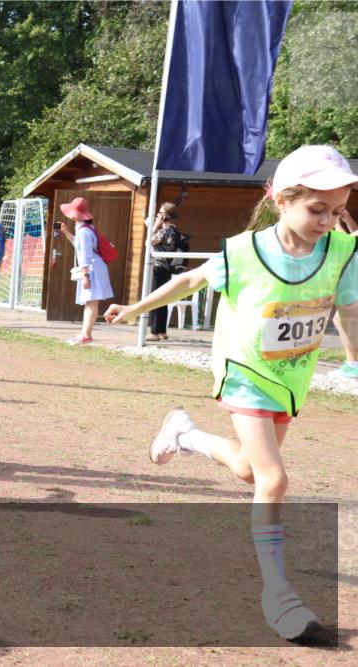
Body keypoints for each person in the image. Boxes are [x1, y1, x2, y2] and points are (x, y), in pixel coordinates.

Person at [104, 145, 358, 642]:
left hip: (289, 379)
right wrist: (134, 309)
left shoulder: (342, 253)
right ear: (281, 199)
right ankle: (278, 597)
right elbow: (188, 279)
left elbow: (350, 312)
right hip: (243, 370)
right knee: (274, 479)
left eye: (337, 209)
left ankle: (185, 435)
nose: (327, 220)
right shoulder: (243, 252)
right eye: (316, 209)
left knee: (247, 470)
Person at [59, 197, 113, 344]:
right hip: (94, 267)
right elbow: (79, 246)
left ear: (76, 215)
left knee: (91, 302)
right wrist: (66, 232)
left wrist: (85, 276)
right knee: (91, 301)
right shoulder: (87, 229)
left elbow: (86, 255)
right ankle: (84, 333)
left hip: (91, 268)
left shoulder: (84, 231)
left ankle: (86, 334)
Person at [329, 208, 358, 379]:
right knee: (341, 319)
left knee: (345, 319)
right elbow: (355, 233)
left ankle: (353, 364)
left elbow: (347, 241)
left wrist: (337, 222)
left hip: (353, 278)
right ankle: (353, 363)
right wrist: (347, 219)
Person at [147, 202, 182, 341]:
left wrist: (154, 226)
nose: (157, 215)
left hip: (159, 266)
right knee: (163, 298)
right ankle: (162, 331)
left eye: (160, 212)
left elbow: (148, 242)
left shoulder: (165, 230)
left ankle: (155, 332)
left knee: (156, 298)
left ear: (165, 216)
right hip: (167, 267)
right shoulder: (175, 230)